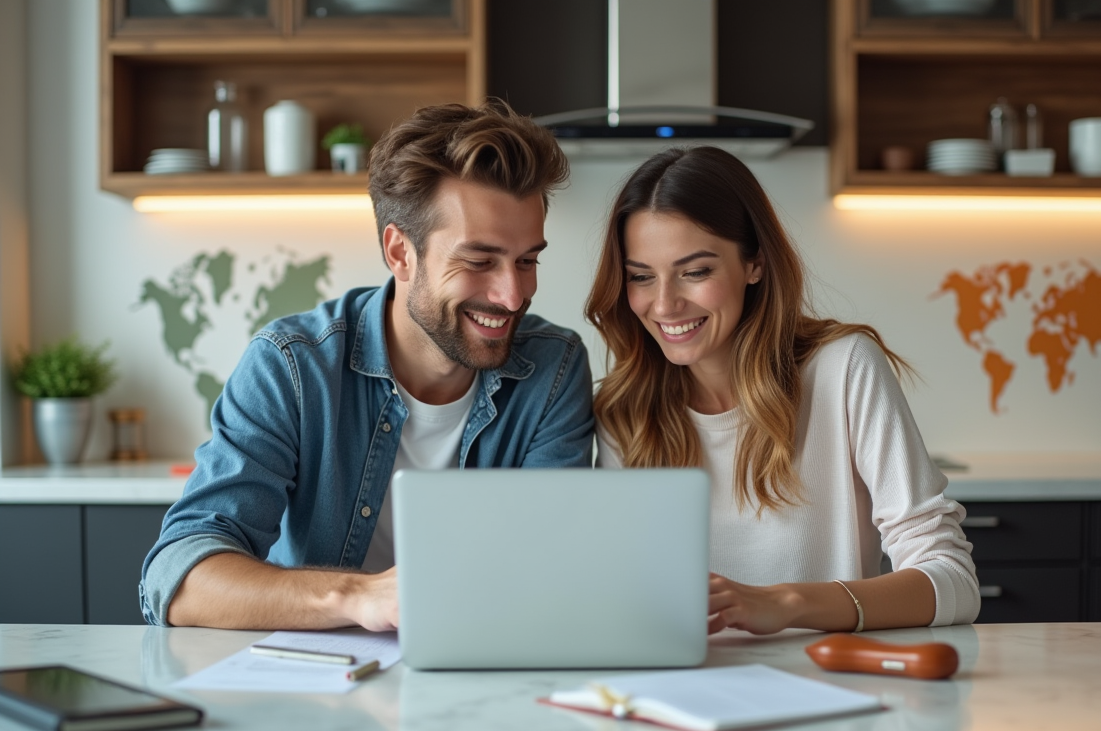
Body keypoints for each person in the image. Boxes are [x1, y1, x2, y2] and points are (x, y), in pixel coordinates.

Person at [140, 100, 594, 631]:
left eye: (527, 261)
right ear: (400, 252)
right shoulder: (292, 366)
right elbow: (179, 579)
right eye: (479, 261)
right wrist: (358, 598)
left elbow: (548, 568)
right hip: (312, 686)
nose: (514, 295)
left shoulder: (553, 369)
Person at [585, 146, 978, 635]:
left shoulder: (843, 368)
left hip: (827, 685)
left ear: (755, 263)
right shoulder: (623, 410)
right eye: (641, 277)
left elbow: (953, 581)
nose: (664, 304)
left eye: (696, 271)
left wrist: (787, 603)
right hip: (683, 690)